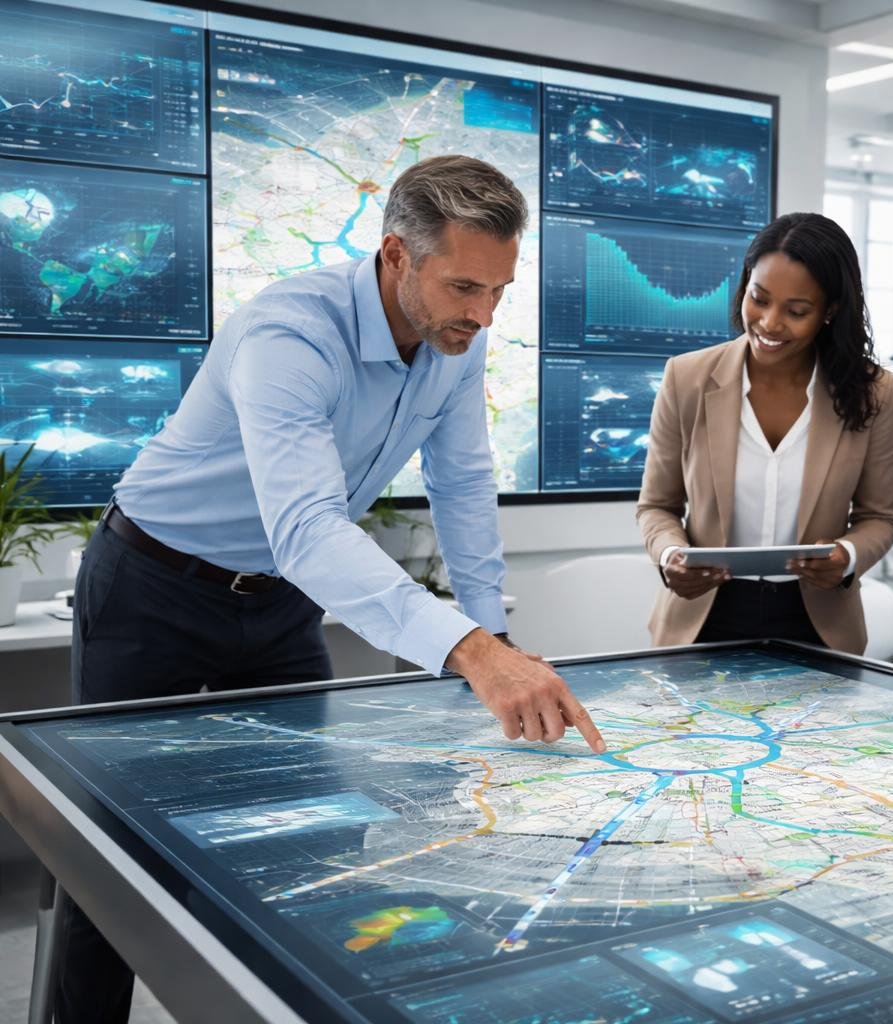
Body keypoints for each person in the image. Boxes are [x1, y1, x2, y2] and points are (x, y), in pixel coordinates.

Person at [60, 155, 605, 1024]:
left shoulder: (459, 340)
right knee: (120, 851)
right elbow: (309, 526)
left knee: (316, 838)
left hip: (277, 603)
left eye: (499, 290)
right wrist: (470, 653)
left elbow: (461, 487)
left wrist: (492, 637)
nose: (483, 312)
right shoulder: (290, 332)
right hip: (152, 585)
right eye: (466, 286)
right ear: (397, 255)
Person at [636, 212, 893, 654]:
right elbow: (657, 506)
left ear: (830, 311)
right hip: (702, 615)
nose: (770, 323)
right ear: (744, 287)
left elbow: (879, 517)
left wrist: (846, 556)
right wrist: (670, 556)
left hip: (818, 622)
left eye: (797, 311)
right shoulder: (686, 378)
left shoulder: (873, 392)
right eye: (759, 299)